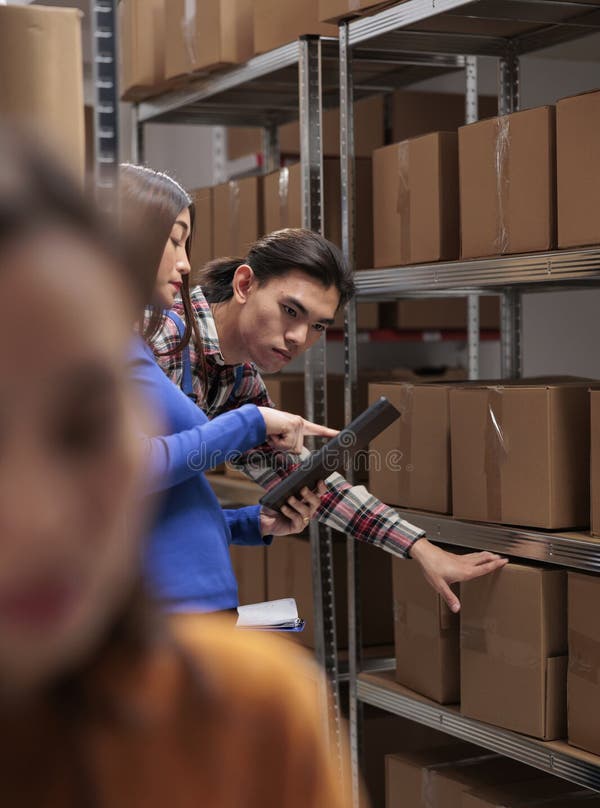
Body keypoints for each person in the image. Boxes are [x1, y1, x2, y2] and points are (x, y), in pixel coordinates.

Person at [0, 130, 371, 808]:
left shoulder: (260, 715)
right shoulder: (173, 359)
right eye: (171, 241)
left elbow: (156, 491)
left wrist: (248, 525)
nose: (38, 517)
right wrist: (243, 430)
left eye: (81, 430)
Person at [149, 225, 508, 611]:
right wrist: (248, 423)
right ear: (244, 284)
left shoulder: (239, 381)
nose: (299, 337)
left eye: (318, 325)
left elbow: (306, 482)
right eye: (290, 311)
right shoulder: (161, 338)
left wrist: (419, 548)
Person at [120, 166, 335, 611]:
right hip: (158, 612)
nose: (184, 262)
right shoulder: (128, 342)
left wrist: (249, 524)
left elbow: (166, 505)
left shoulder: (129, 343)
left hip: (191, 609)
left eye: (317, 326)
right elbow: (126, 472)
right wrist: (250, 423)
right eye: (175, 238)